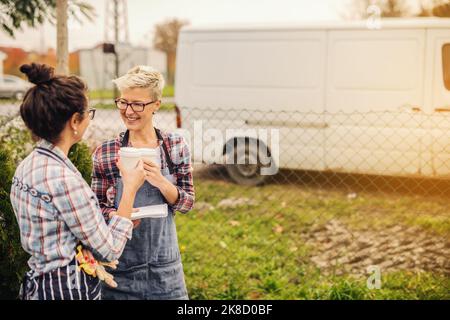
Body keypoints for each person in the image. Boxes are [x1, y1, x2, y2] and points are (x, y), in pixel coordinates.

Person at [9, 63, 146, 300]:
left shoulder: (29, 165)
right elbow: (109, 249)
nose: (88, 120)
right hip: (65, 288)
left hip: (38, 283)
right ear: (74, 121)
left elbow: (59, 223)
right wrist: (130, 187)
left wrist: (105, 218)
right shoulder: (64, 180)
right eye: (87, 113)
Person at [92, 65, 195, 300]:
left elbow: (187, 203)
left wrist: (161, 181)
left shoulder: (174, 147)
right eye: (123, 102)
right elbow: (96, 208)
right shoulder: (106, 152)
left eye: (137, 104)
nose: (129, 111)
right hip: (119, 268)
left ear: (156, 104)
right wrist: (121, 215)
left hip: (165, 270)